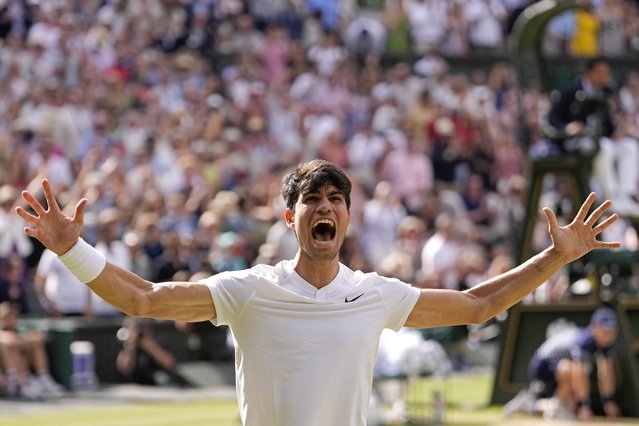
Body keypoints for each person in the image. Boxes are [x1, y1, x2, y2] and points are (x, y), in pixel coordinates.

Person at [15, 159, 620, 425]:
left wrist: (557, 256)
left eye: (336, 199)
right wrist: (70, 247)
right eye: (312, 199)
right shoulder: (249, 289)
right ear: (290, 218)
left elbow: (479, 305)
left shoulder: (376, 293)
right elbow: (144, 299)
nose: (325, 207)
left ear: (348, 218)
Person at [543, 58, 639, 215]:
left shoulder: (605, 92)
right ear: (590, 73)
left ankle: (626, 196)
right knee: (605, 147)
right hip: (573, 143)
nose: (605, 76)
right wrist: (568, 127)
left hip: (599, 141)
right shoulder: (572, 90)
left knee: (629, 147)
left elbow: (608, 127)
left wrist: (618, 132)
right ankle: (611, 198)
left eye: (607, 73)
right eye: (601, 72)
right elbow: (552, 118)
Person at [504, 307, 621, 421]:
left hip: (559, 368)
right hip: (542, 365)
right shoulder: (584, 340)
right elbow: (578, 373)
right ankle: (537, 404)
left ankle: (530, 404)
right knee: (571, 371)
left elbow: (605, 373)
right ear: (594, 327)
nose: (609, 336)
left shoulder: (605, 344)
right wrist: (583, 406)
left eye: (612, 332)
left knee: (567, 409)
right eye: (605, 331)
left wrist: (608, 401)